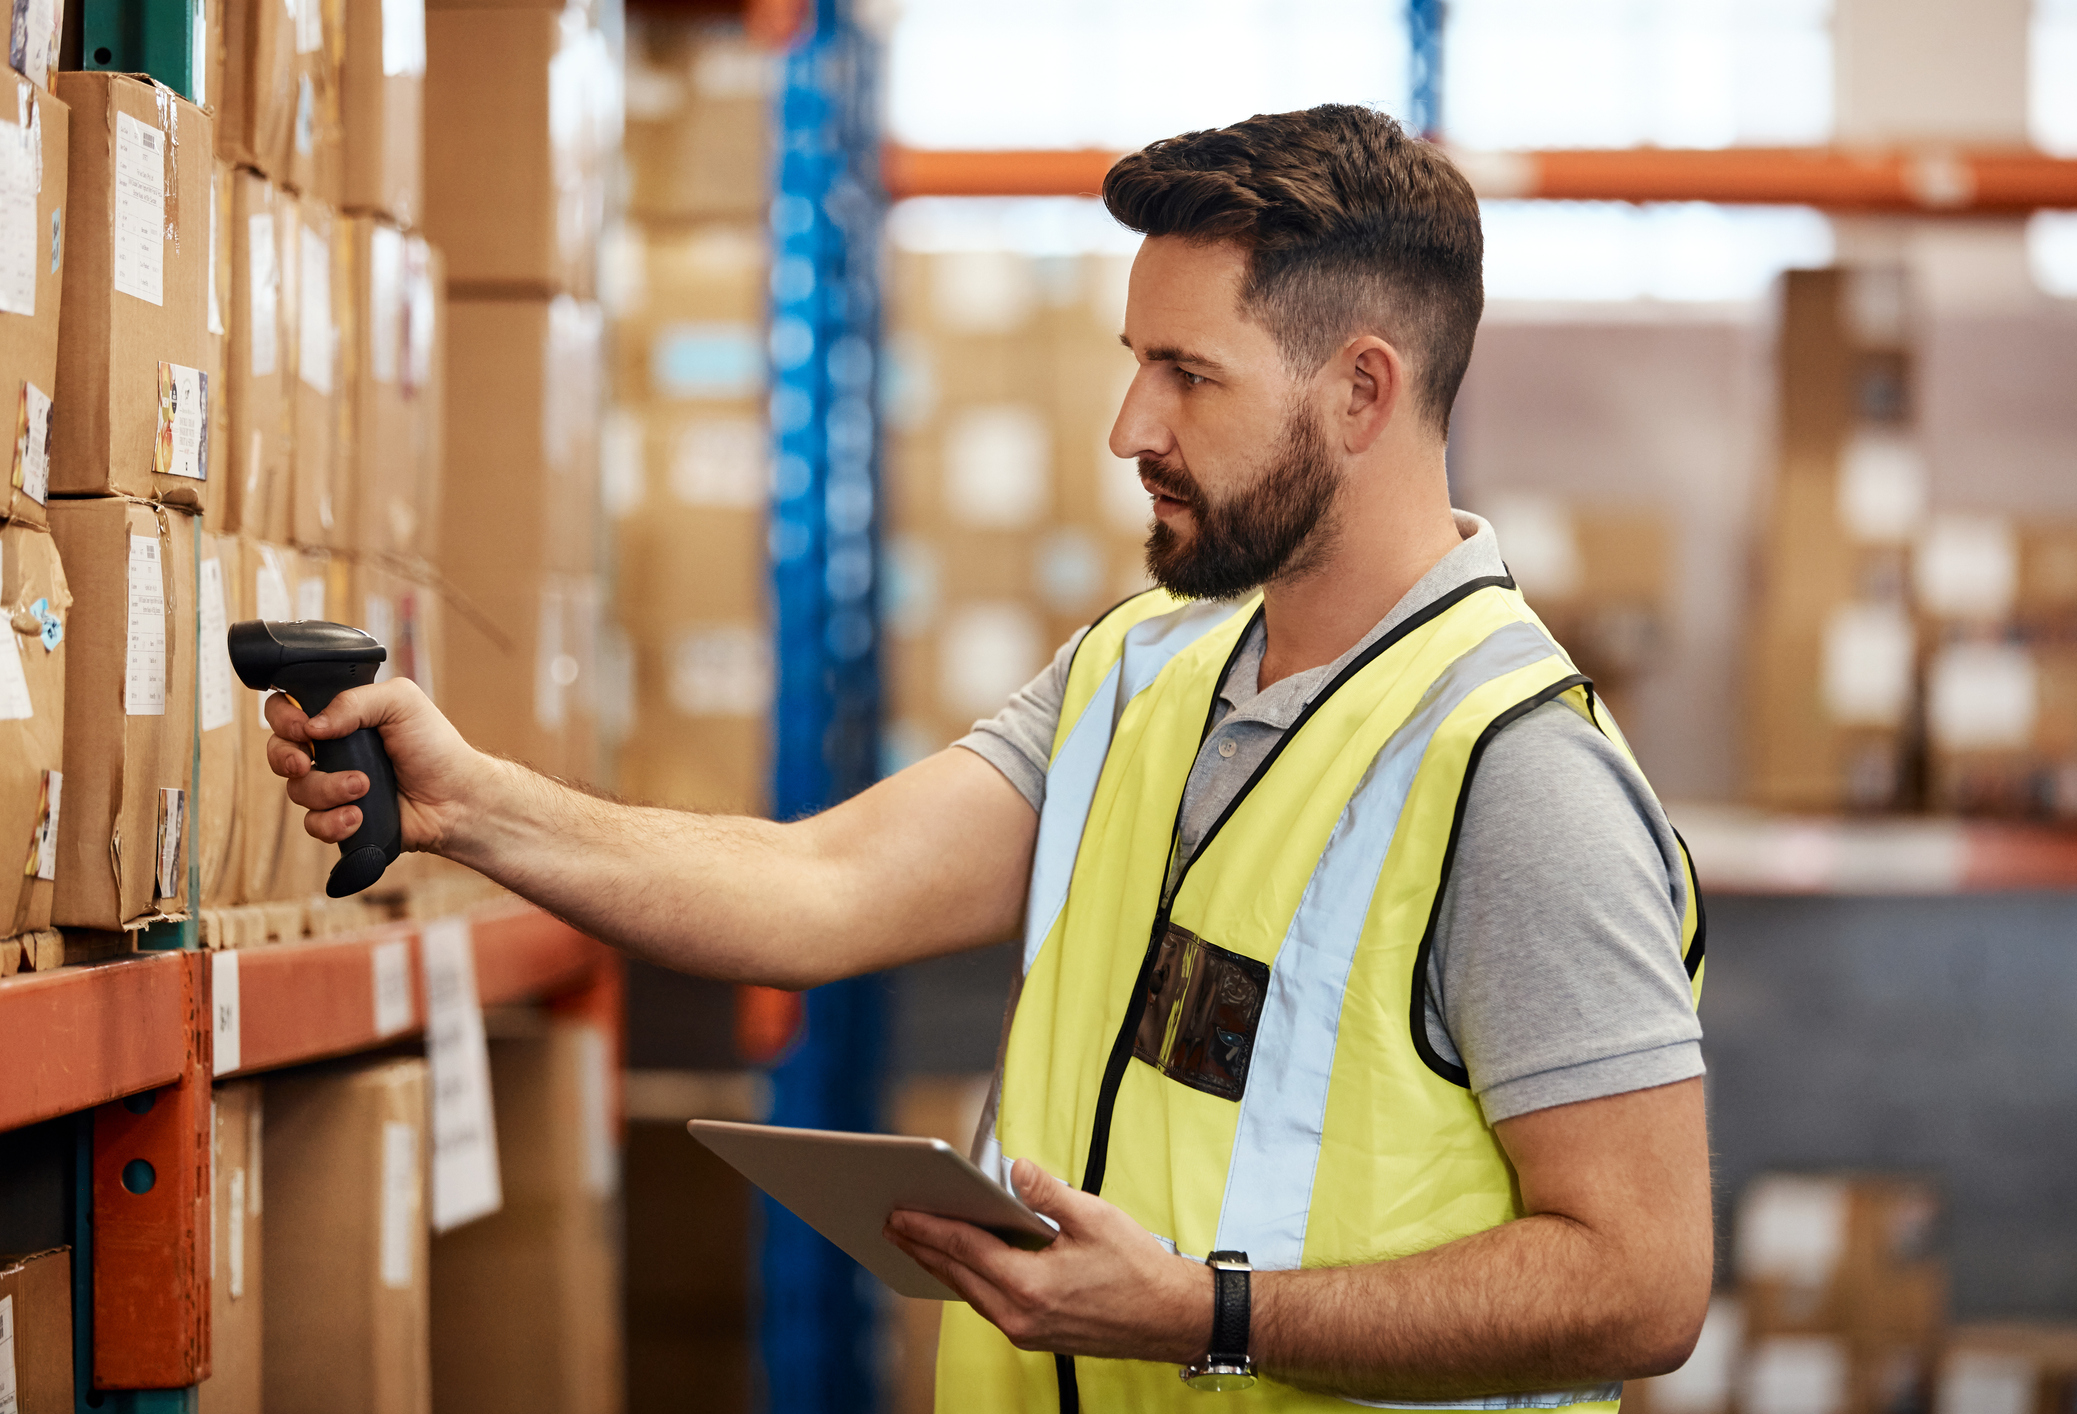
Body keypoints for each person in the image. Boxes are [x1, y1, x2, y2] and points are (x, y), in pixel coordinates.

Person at [265, 105, 1710, 1411]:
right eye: (1133, 364)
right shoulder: (1136, 672)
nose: (1127, 427)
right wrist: (467, 799)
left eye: (1185, 376)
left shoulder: (1511, 776)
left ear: (1360, 393)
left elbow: (1640, 1282)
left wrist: (1205, 1314)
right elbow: (818, 886)